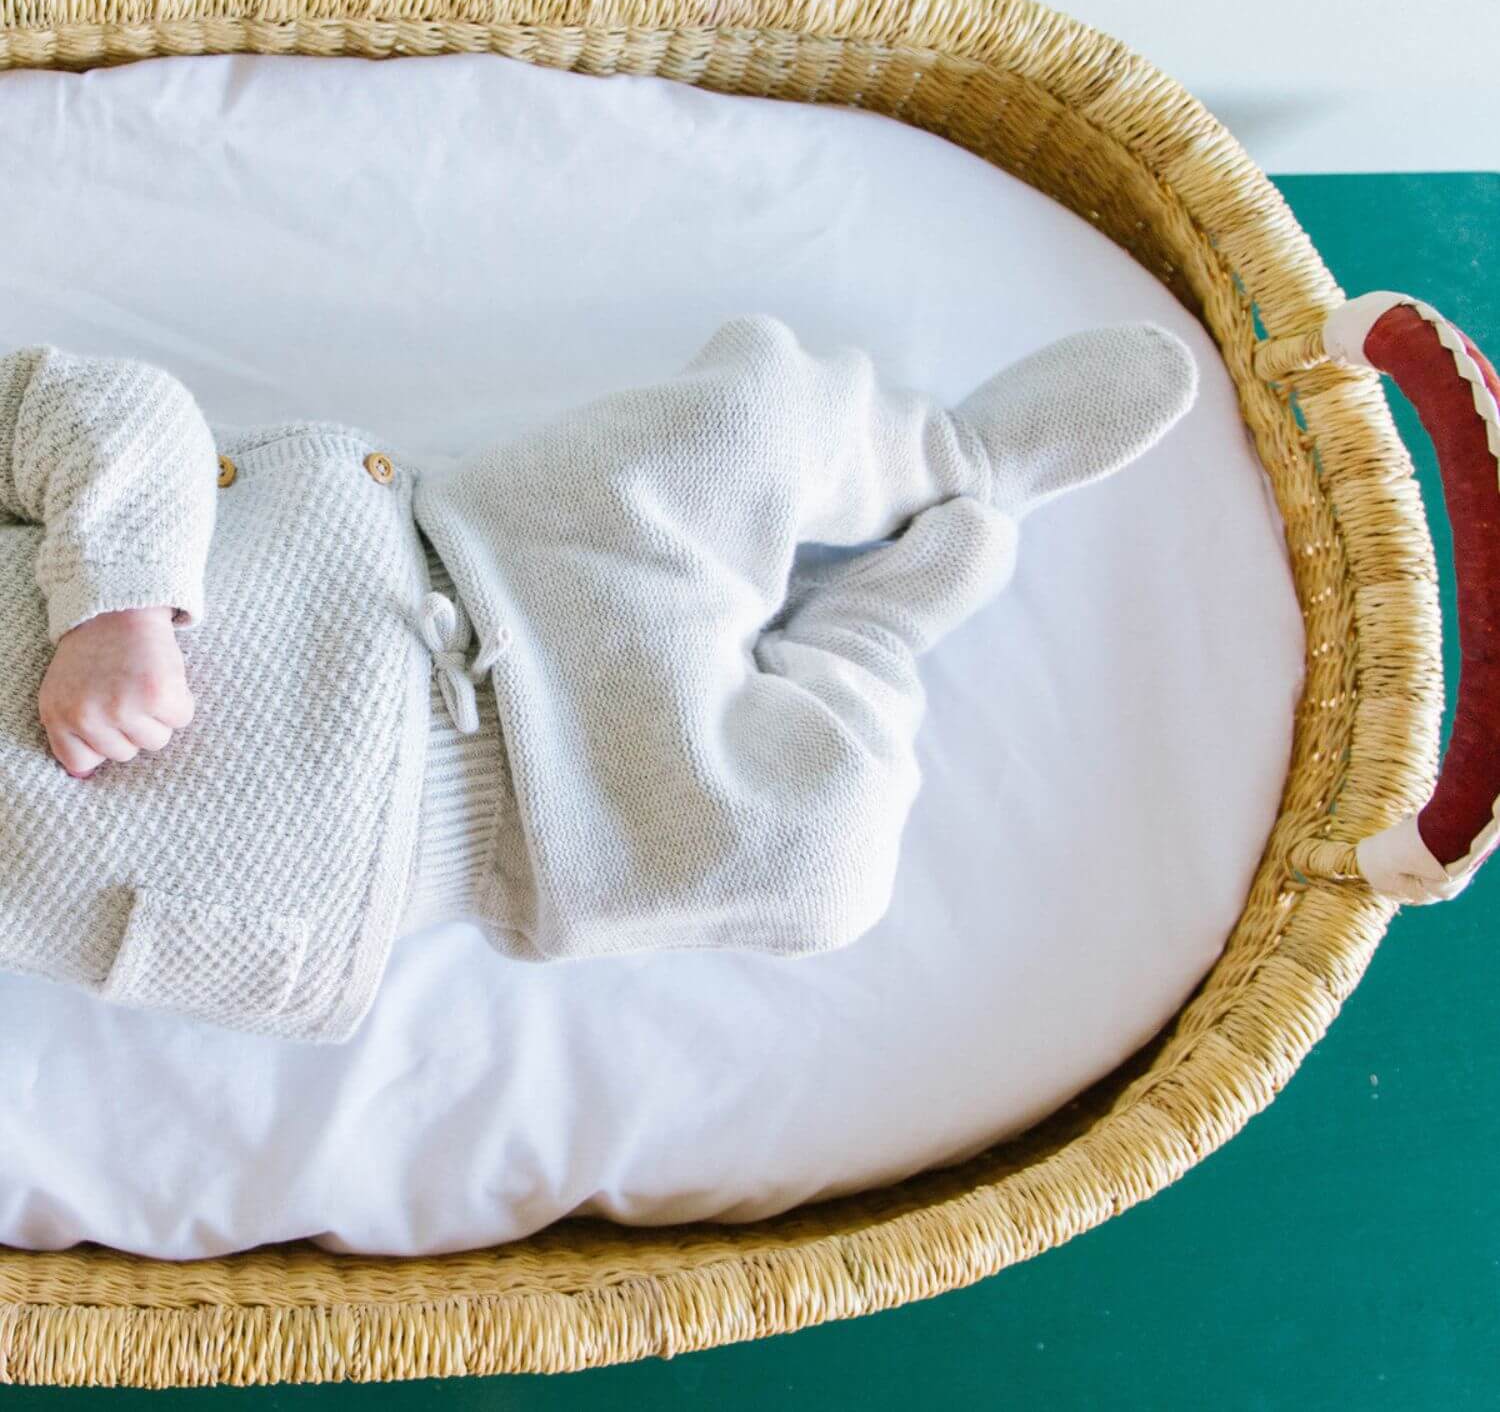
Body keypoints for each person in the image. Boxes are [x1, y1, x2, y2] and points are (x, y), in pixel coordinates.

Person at [0, 315, 1198, 1043]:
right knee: (824, 866)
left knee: (741, 425)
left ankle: (952, 457)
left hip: (492, 572)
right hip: (529, 839)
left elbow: (96, 407)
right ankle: (882, 620)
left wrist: (116, 599)